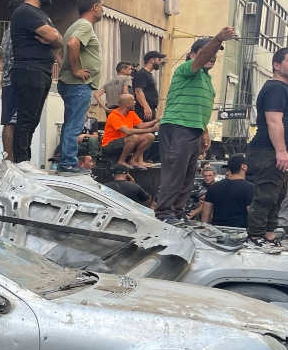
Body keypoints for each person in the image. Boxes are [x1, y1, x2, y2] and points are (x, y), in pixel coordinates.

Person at [154, 29, 236, 224]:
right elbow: (202, 58)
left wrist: (204, 133)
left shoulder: (206, 79)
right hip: (177, 127)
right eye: (207, 53)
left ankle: (177, 212)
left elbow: (202, 109)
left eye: (215, 56)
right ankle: (164, 213)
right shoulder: (187, 69)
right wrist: (217, 39)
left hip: (193, 129)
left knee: (188, 177)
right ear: (192, 55)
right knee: (175, 173)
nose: (213, 58)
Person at [246, 47, 288, 244]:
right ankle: (255, 236)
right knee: (266, 197)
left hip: (278, 154)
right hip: (269, 152)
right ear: (276, 65)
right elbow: (273, 121)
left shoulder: (284, 89)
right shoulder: (276, 88)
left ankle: (268, 234)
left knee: (276, 196)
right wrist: (281, 151)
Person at [8, 0, 63, 168]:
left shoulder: (42, 14)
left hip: (42, 71)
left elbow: (59, 39)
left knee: (33, 119)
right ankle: (21, 160)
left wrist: (53, 37)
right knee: (26, 117)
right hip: (29, 70)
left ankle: (25, 159)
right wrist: (52, 37)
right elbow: (52, 35)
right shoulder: (25, 11)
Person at [57, 0, 104, 174]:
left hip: (71, 83)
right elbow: (72, 45)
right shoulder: (85, 25)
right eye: (102, 6)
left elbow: (59, 54)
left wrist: (67, 69)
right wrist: (75, 70)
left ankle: (67, 161)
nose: (103, 10)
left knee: (71, 123)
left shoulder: (75, 25)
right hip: (77, 85)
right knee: (74, 124)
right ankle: (68, 163)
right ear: (95, 7)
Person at [0, 0, 23, 160]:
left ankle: (10, 158)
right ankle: (10, 159)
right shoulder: (18, 32)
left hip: (9, 81)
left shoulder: (8, 31)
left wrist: (6, 71)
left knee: (12, 121)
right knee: (12, 122)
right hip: (15, 83)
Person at [101, 94, 158, 170]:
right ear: (127, 104)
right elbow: (127, 131)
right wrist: (151, 129)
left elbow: (142, 126)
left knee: (149, 136)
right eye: (133, 100)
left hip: (125, 141)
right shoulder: (114, 115)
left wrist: (157, 120)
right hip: (109, 145)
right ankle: (121, 161)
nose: (135, 102)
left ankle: (133, 160)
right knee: (133, 137)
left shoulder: (131, 114)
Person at [200, 155, 254, 227]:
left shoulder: (214, 187)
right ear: (243, 166)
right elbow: (252, 214)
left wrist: (205, 229)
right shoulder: (250, 188)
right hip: (240, 230)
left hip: (217, 229)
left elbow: (205, 212)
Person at [133, 51, 165, 121]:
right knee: (144, 131)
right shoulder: (142, 74)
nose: (160, 62)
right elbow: (138, 91)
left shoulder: (147, 74)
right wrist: (146, 107)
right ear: (152, 60)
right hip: (143, 111)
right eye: (159, 59)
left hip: (149, 110)